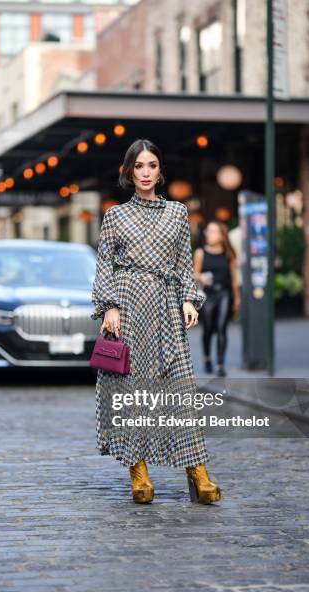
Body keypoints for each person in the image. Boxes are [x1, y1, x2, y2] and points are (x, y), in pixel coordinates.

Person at [90, 138, 221, 505]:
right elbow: (104, 266)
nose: (145, 173)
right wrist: (110, 306)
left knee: (179, 389)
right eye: (138, 166)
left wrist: (190, 299)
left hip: (166, 306)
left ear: (160, 170)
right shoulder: (115, 216)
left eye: (151, 165)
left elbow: (183, 262)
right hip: (129, 306)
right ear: (129, 172)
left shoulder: (178, 213)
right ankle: (139, 471)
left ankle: (197, 473)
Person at [193, 221, 241, 377]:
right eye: (208, 231)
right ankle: (207, 359)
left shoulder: (228, 254)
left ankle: (220, 364)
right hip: (208, 295)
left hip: (224, 294)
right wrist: (202, 277)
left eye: (213, 231)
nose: (209, 234)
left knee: (221, 328)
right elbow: (193, 274)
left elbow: (234, 278)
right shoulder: (200, 253)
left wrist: (237, 298)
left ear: (221, 236)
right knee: (207, 329)